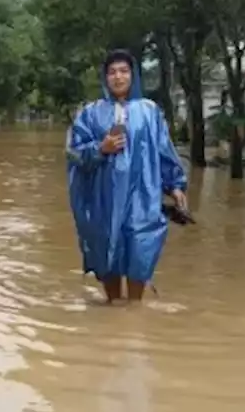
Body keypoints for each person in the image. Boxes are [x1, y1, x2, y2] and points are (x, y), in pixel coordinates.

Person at [66, 48, 188, 304]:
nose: (118, 77)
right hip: (103, 198)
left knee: (140, 251)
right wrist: (101, 148)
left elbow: (164, 149)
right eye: (112, 72)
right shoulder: (90, 113)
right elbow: (74, 152)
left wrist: (175, 185)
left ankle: (133, 317)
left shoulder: (150, 112)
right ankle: (113, 312)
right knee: (107, 251)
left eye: (123, 71)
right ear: (105, 78)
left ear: (133, 76)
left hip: (142, 198)